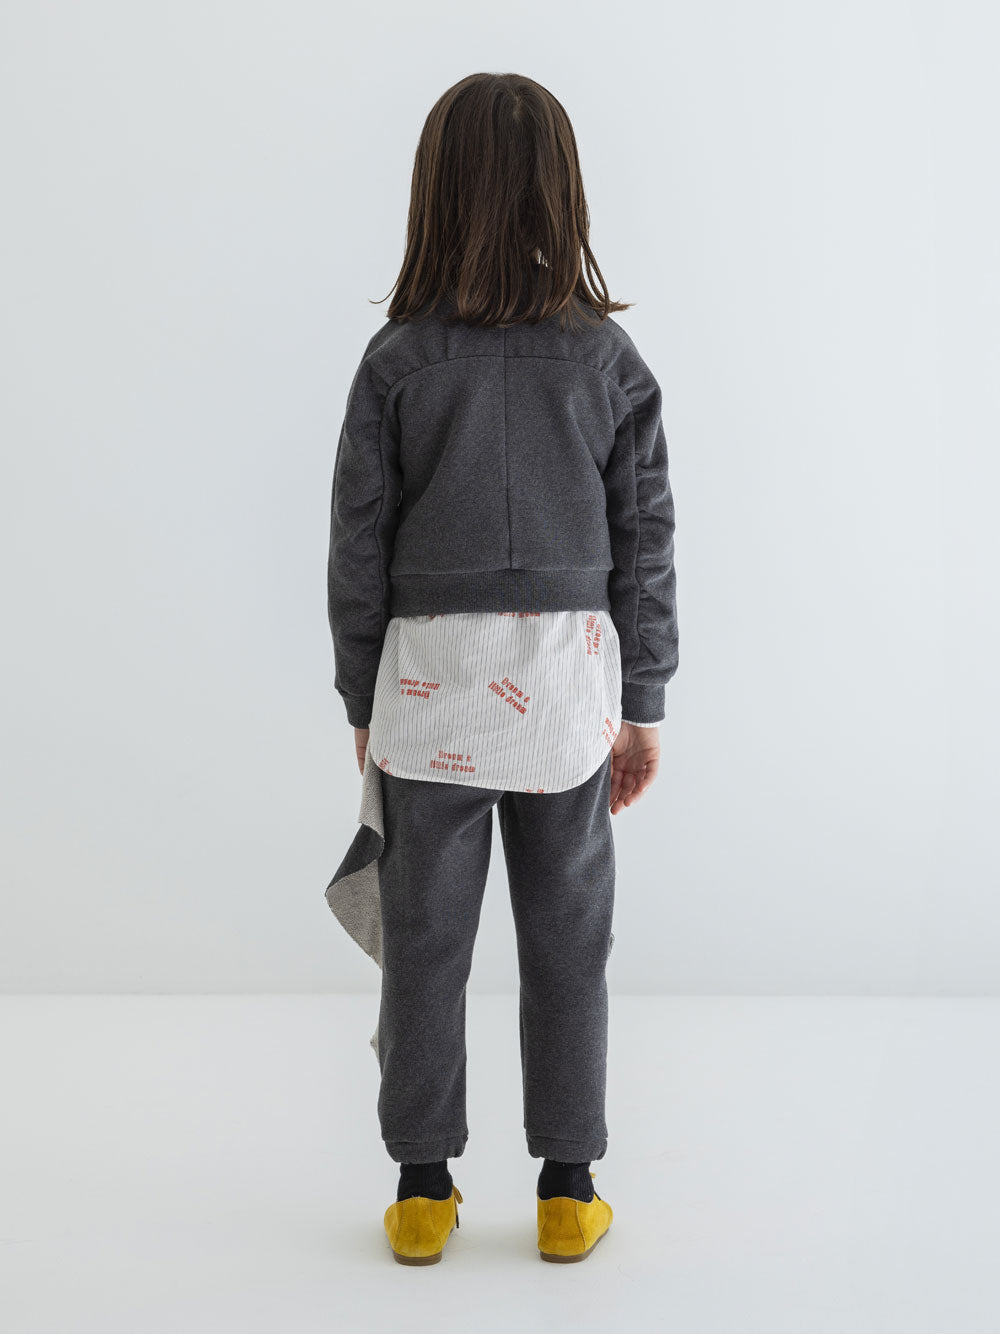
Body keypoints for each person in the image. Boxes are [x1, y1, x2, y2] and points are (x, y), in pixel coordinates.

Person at [325, 71, 679, 1265]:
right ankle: (568, 1186)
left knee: (425, 946)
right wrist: (642, 704)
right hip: (566, 692)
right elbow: (643, 542)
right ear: (561, 194)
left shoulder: (397, 362)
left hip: (427, 692)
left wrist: (361, 693)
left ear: (434, 192)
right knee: (569, 942)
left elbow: (358, 543)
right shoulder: (608, 362)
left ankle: (422, 1187)